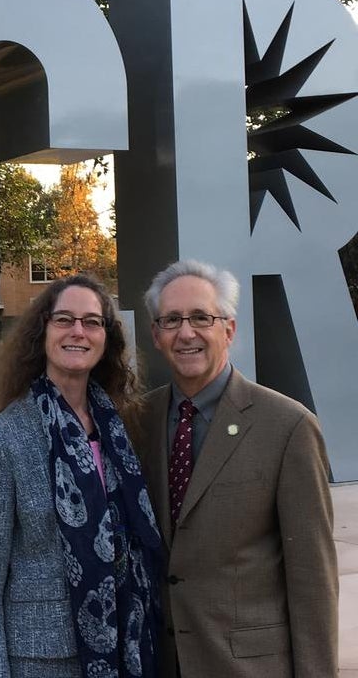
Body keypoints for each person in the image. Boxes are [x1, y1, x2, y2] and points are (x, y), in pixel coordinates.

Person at [139, 259, 338, 678]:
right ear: (156, 335)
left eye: (201, 317)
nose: (186, 333)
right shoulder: (139, 421)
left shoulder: (288, 426)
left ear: (228, 330)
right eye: (172, 320)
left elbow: (312, 578)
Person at [0, 274, 162, 678]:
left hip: (128, 643)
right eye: (64, 320)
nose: (78, 331)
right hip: (44, 659)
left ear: (106, 338)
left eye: (92, 322)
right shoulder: (1, 441)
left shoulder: (120, 428)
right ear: (42, 332)